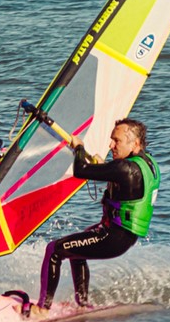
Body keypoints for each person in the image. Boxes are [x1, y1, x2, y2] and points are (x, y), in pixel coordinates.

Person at [37, 118, 160, 310]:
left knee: (54, 250)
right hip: (125, 236)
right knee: (76, 251)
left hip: (113, 238)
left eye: (116, 141)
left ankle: (42, 309)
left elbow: (81, 170)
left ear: (135, 143)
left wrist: (78, 148)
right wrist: (105, 168)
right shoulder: (147, 163)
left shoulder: (124, 168)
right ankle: (83, 304)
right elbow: (126, 183)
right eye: (111, 140)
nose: (111, 145)